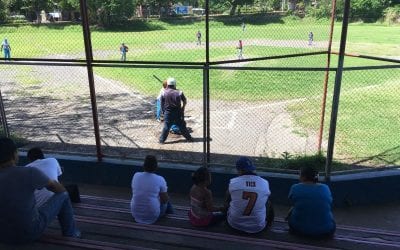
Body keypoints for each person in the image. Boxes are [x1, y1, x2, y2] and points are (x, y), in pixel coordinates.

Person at [0, 137, 80, 244]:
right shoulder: (29, 172)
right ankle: (71, 233)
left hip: (3, 237)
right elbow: (58, 189)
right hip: (30, 232)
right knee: (64, 194)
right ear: (14, 154)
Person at [224, 157, 274, 234]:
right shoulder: (264, 183)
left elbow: (226, 203)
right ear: (252, 169)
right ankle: (269, 224)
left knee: (231, 198)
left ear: (239, 170)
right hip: (258, 228)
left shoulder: (233, 182)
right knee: (267, 202)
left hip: (234, 225)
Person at [286, 166, 336, 238]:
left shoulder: (295, 187)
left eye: (300, 175)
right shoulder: (325, 188)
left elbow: (292, 202)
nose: (299, 177)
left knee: (292, 210)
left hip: (298, 230)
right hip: (325, 232)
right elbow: (329, 203)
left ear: (303, 177)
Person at [130, 155, 174, 224]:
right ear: (156, 167)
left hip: (135, 214)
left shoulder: (136, 175)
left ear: (143, 165)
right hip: (153, 217)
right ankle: (172, 214)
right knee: (167, 200)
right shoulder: (160, 179)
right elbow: (165, 200)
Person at [159, 77, 193, 144]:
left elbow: (161, 103)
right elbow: (185, 100)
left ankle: (161, 140)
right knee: (182, 126)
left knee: (166, 126)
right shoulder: (179, 92)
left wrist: (163, 111)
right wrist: (183, 108)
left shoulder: (163, 92)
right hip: (178, 112)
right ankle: (189, 138)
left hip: (168, 113)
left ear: (168, 84)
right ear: (174, 84)